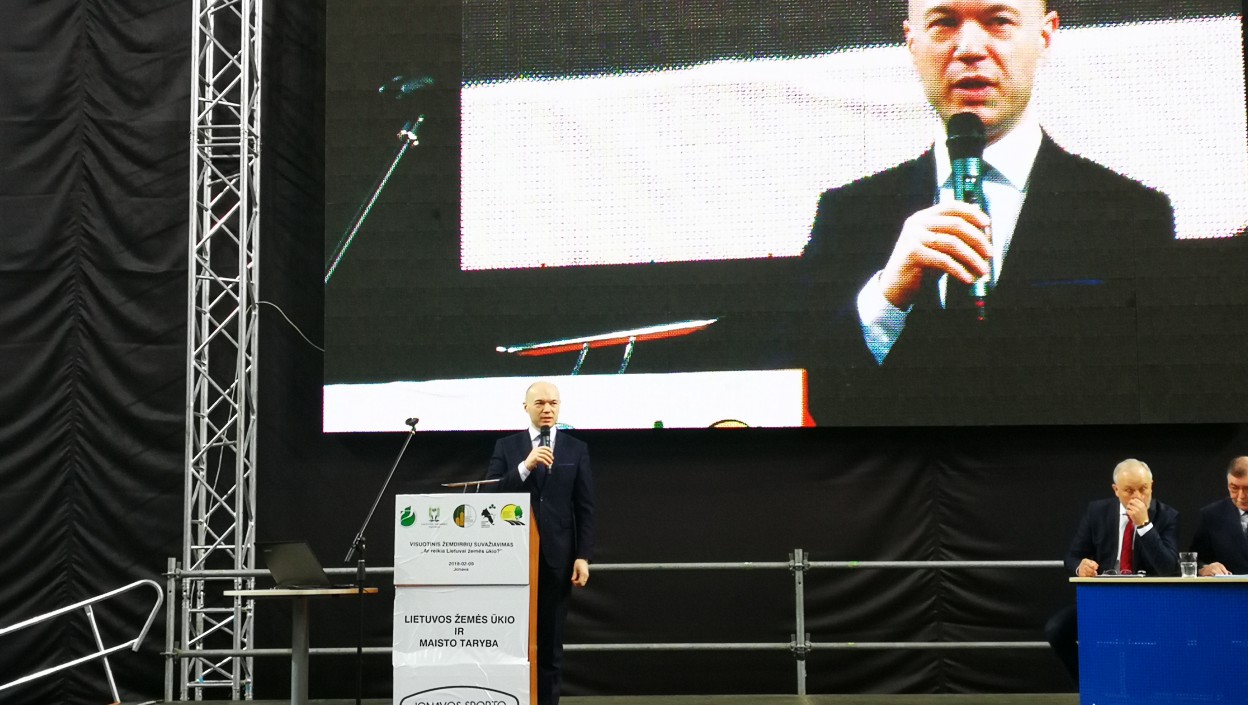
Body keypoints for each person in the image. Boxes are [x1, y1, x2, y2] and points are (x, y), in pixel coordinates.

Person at [796, 0, 1175, 425]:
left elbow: (1156, 398)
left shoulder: (1129, 215)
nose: (970, 49)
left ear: (1045, 35)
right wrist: (887, 298)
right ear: (912, 42)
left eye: (998, 21)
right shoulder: (847, 215)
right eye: (944, 23)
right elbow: (822, 399)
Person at [486, 381, 596, 705]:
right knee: (511, 642)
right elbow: (489, 495)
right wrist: (526, 466)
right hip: (511, 558)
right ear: (526, 407)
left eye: (553, 403)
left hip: (556, 560)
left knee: (550, 645)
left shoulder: (576, 449)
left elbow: (585, 507)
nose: (547, 409)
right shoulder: (507, 447)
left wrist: (583, 555)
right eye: (540, 403)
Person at [1044, 459, 1179, 681]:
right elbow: (1072, 556)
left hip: (1147, 602)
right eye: (1129, 491)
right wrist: (1080, 567)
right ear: (1116, 490)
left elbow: (1168, 568)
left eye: (1143, 489)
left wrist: (1144, 526)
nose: (1137, 497)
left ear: (1152, 486)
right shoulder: (1097, 512)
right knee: (1056, 629)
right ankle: (1090, 683)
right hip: (1103, 599)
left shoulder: (1167, 516)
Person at [1190, 456, 1248, 576]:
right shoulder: (1212, 515)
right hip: (1229, 587)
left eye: (1247, 489)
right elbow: (1194, 561)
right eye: (1234, 488)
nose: (1241, 496)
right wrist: (1204, 569)